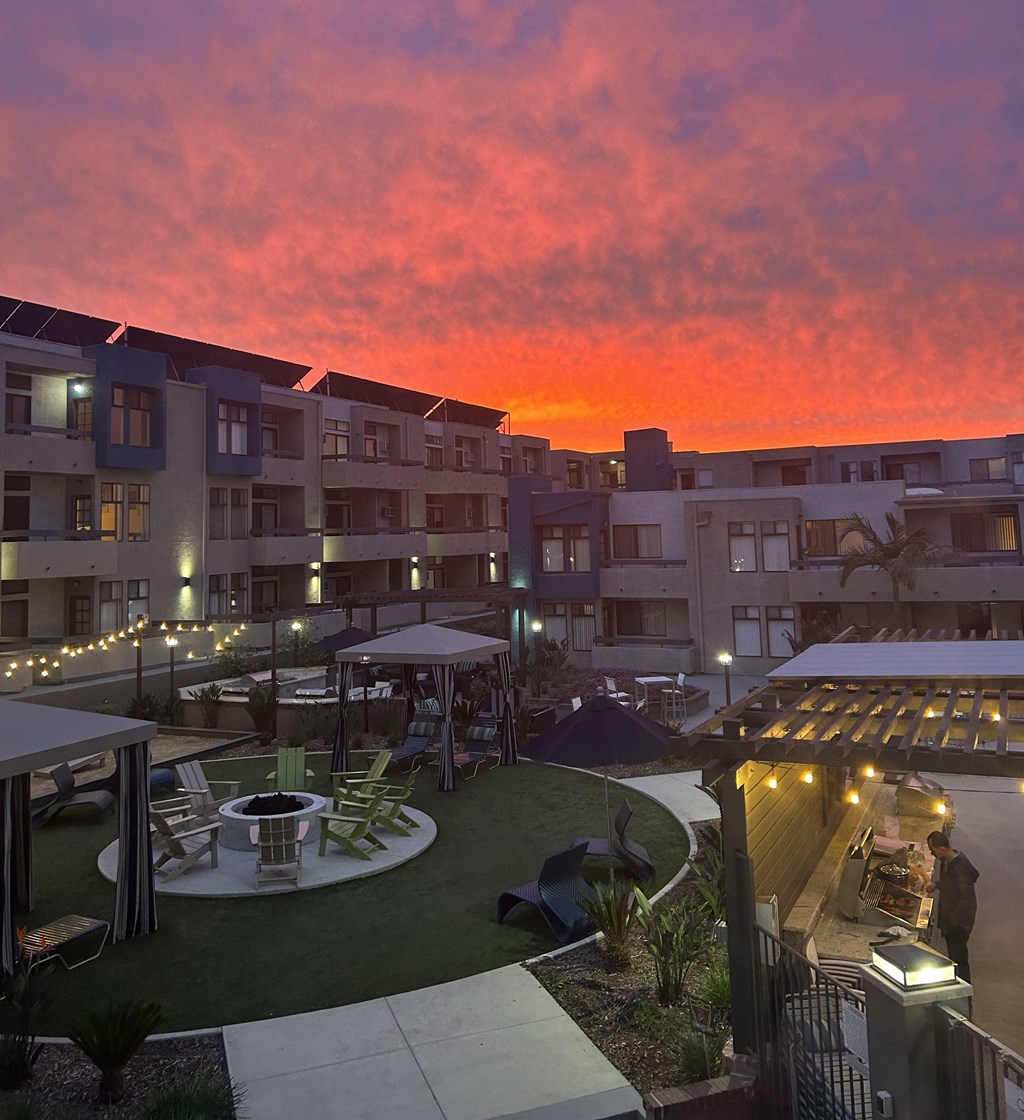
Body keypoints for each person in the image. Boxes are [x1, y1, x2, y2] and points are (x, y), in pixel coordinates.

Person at [926, 831, 979, 983]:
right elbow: (951, 882)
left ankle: (964, 988)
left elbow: (965, 897)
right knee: (955, 955)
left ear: (942, 849)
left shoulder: (959, 867)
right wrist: (937, 885)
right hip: (954, 919)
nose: (932, 854)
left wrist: (952, 922)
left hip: (959, 923)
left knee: (959, 958)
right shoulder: (949, 861)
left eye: (933, 850)